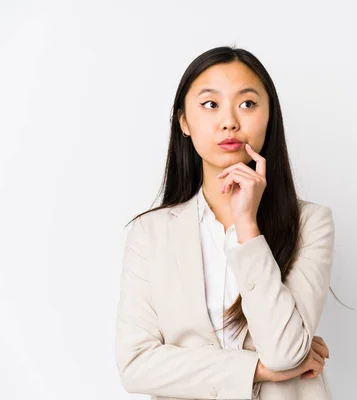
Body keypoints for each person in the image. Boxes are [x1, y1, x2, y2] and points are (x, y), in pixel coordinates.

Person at [115, 46, 335, 399]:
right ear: (184, 122)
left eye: (247, 104)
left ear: (270, 116)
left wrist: (247, 225)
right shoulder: (151, 233)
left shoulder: (311, 223)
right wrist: (256, 371)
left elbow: (286, 352)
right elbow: (136, 367)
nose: (229, 121)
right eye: (210, 104)